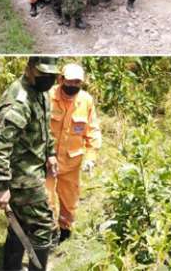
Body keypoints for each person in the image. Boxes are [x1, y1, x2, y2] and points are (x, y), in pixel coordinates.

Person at [0, 57, 60, 271]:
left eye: (51, 75)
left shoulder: (41, 92)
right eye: (42, 74)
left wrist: (50, 153)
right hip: (22, 176)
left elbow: (44, 127)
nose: (47, 79)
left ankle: (10, 268)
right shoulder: (19, 101)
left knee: (18, 221)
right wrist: (1, 187)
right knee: (42, 225)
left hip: (35, 168)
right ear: (29, 69)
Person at [45, 63, 101, 245]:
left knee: (69, 202)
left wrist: (91, 158)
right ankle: (48, 235)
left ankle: (65, 233)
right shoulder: (47, 96)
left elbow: (92, 131)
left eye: (78, 83)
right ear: (61, 79)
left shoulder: (86, 101)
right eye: (70, 81)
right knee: (46, 201)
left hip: (71, 163)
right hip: (47, 163)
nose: (73, 86)